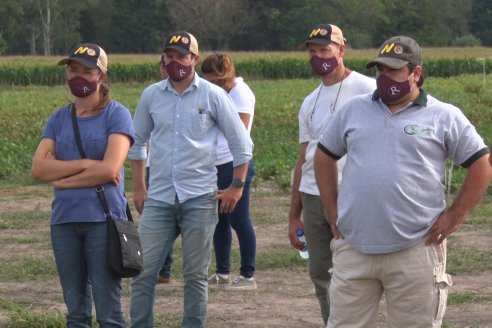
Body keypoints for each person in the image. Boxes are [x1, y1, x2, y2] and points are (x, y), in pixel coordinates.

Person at [314, 35, 492, 327]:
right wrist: (331, 209)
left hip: (416, 248)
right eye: (380, 70)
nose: (384, 77)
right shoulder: (353, 110)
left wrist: (455, 217)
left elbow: (481, 165)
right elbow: (323, 155)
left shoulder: (444, 115)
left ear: (416, 73)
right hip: (354, 247)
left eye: (393, 70)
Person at [128, 31, 253, 328]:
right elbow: (137, 143)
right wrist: (139, 187)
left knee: (196, 275)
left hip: (199, 198)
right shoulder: (151, 95)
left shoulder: (213, 95)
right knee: (143, 272)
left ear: (194, 59)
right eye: (169, 56)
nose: (175, 62)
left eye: (181, 56)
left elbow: (242, 145)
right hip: (158, 198)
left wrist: (237, 185)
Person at [31, 43, 134, 327]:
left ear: (101, 76)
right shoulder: (58, 118)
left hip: (103, 221)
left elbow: (110, 169)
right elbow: (39, 168)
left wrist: (62, 181)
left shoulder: (117, 115)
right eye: (73, 69)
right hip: (64, 222)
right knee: (76, 313)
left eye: (87, 71)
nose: (78, 76)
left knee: (109, 312)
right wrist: (88, 165)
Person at [287, 23, 375, 325]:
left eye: (324, 49)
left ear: (341, 50)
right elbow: (303, 160)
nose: (318, 56)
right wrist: (293, 215)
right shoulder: (309, 101)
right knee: (321, 275)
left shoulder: (368, 89)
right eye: (312, 52)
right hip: (312, 197)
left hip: (351, 193)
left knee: (355, 274)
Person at [201, 53, 257, 291]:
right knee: (219, 220)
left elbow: (240, 132)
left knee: (239, 219)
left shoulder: (240, 93)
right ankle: (222, 272)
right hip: (216, 163)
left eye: (213, 80)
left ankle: (247, 275)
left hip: (234, 164)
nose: (210, 85)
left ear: (224, 76)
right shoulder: (220, 93)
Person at [148, 54, 174, 284]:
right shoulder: (153, 94)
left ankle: (164, 268)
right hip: (154, 166)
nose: (168, 68)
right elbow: (140, 138)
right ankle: (161, 267)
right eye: (165, 64)